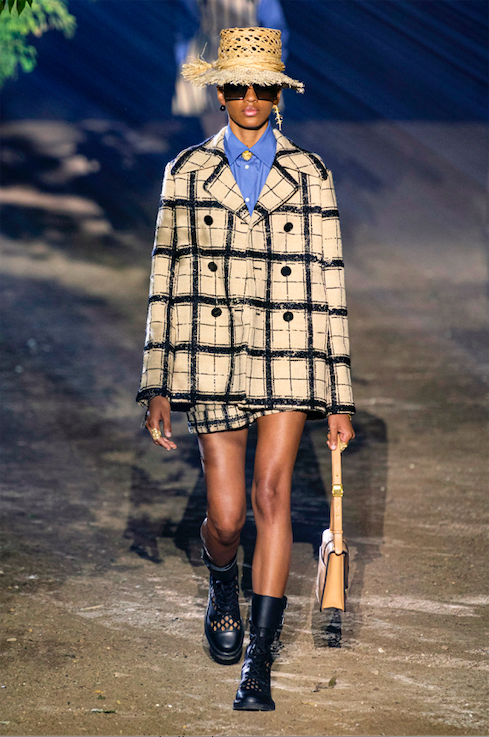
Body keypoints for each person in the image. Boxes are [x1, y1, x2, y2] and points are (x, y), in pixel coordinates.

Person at [136, 27, 355, 712]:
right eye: (237, 87)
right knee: (227, 519)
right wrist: (157, 381)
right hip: (212, 355)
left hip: (288, 356)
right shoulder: (186, 172)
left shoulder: (311, 174)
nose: (250, 98)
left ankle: (257, 662)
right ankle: (222, 581)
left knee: (271, 495)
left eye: (262, 87)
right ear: (221, 94)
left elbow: (329, 285)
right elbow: (166, 279)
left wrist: (339, 396)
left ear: (277, 95)